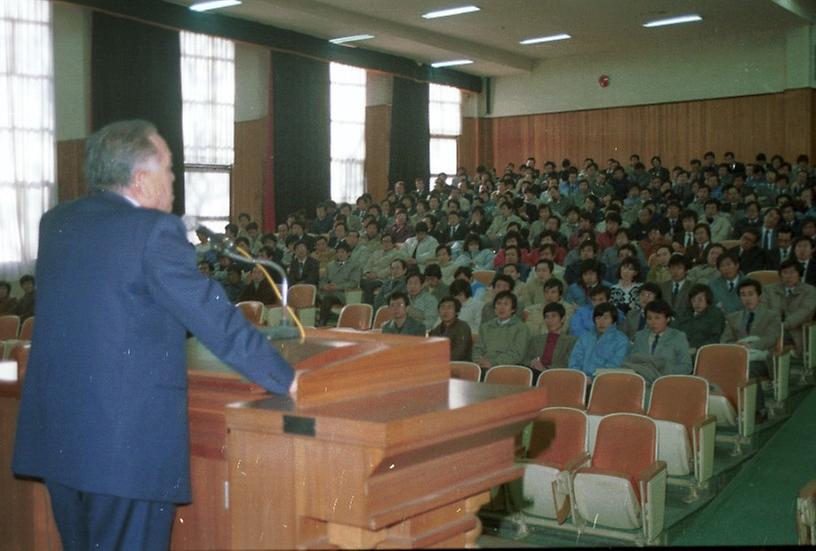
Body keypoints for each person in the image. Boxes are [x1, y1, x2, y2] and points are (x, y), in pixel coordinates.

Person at [12, 120, 295, 550]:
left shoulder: (57, 223)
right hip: (124, 454)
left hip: (62, 446)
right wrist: (285, 378)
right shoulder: (152, 232)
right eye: (169, 169)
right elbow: (214, 318)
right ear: (141, 179)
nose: (174, 181)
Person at [722, 279, 781, 420]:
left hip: (763, 359)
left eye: (750, 294)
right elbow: (725, 341)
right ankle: (730, 408)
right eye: (743, 295)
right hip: (738, 357)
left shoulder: (771, 316)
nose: (747, 298)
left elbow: (771, 338)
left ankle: (758, 410)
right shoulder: (733, 317)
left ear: (759, 296)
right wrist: (738, 346)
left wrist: (750, 346)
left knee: (749, 369)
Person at [623, 300, 692, 383]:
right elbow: (630, 360)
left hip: (667, 382)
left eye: (657, 318)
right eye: (649, 318)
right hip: (641, 381)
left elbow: (687, 367)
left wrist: (663, 369)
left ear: (668, 319)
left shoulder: (678, 337)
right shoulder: (640, 336)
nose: (653, 322)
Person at [761, 258, 816, 355]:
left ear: (799, 274)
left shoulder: (810, 291)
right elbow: (763, 310)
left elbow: (804, 313)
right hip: (769, 330)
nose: (788, 276)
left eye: (792, 272)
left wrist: (781, 325)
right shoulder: (769, 290)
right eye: (785, 272)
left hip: (796, 332)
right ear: (780, 275)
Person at [568, 303, 630, 379]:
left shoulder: (621, 340)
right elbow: (575, 359)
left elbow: (615, 365)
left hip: (605, 381)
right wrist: (579, 377)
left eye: (605, 318)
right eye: (598, 318)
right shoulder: (585, 337)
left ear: (613, 320)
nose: (601, 321)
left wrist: (594, 378)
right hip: (581, 379)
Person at [473, 290, 530, 369]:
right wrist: (478, 360)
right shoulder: (485, 326)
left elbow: (517, 354)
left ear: (513, 309)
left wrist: (493, 363)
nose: (501, 307)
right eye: (498, 303)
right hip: (482, 365)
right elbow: (477, 348)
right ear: (494, 308)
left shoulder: (521, 328)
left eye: (506, 304)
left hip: (507, 367)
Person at [526, 302, 577, 381]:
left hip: (556, 376)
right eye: (547, 317)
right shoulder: (536, 339)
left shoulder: (571, 341)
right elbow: (527, 358)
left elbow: (567, 363)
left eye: (553, 316)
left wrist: (544, 369)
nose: (550, 320)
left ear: (563, 319)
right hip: (534, 372)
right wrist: (532, 363)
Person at [675, 284, 725, 351]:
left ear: (707, 299)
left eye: (700, 299)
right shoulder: (684, 314)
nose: (697, 303)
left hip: (704, 352)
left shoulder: (715, 315)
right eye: (693, 300)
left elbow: (715, 339)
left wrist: (697, 349)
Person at [429, 296, 473, 361]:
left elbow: (459, 352)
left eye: (449, 308)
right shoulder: (437, 329)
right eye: (443, 308)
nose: (445, 311)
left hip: (459, 365)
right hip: (439, 364)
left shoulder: (463, 327)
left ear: (457, 312)